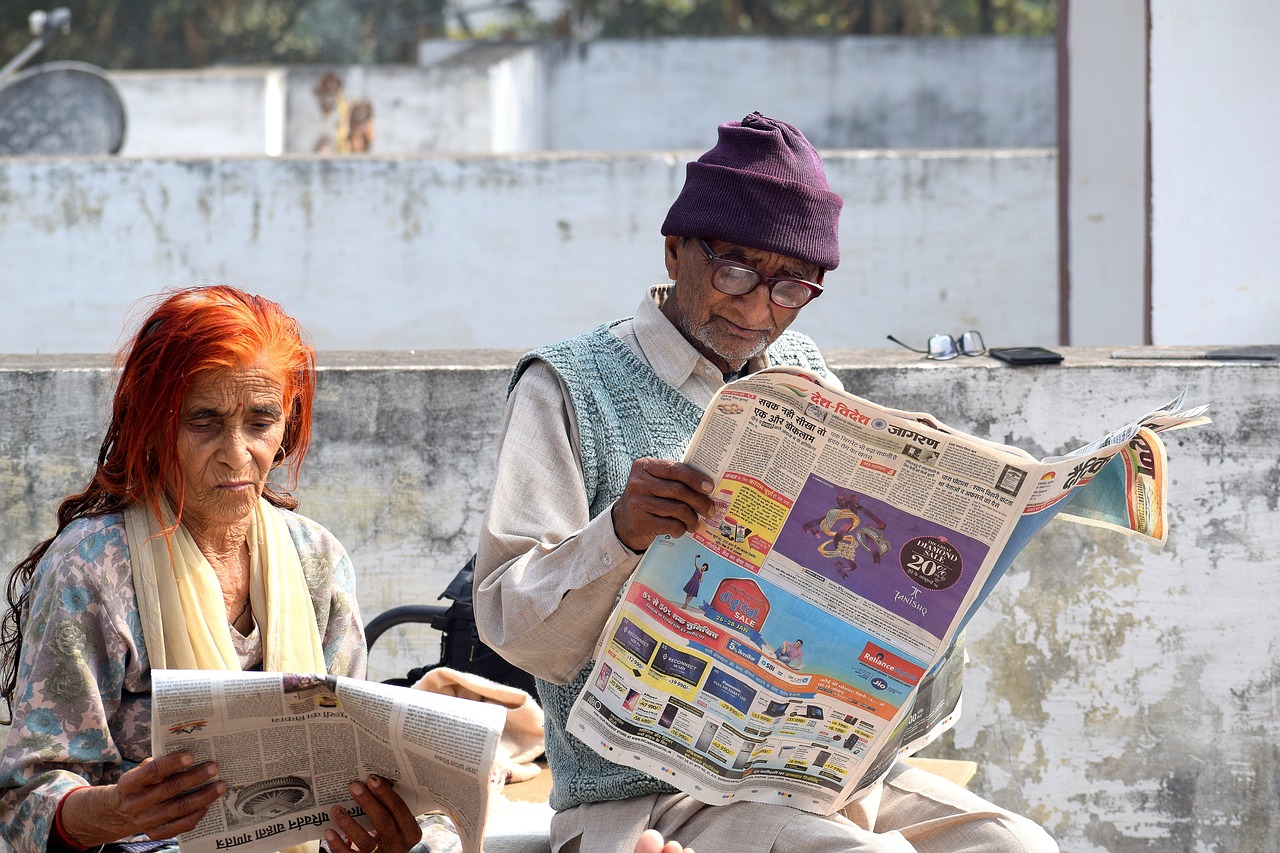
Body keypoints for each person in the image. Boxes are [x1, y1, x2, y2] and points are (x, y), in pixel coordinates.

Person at [474, 113, 1058, 852]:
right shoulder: (568, 383)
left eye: (790, 287)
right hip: (650, 798)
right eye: (736, 272)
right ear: (676, 249)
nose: (756, 309)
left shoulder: (804, 374)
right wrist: (620, 532)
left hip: (819, 777)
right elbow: (511, 624)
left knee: (1017, 845)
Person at [0, 286, 423, 853]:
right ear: (152, 425)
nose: (236, 453)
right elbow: (24, 799)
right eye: (204, 421)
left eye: (260, 421)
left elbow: (350, 762)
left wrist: (379, 828)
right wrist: (116, 811)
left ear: (288, 424)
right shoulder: (93, 569)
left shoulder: (317, 560)